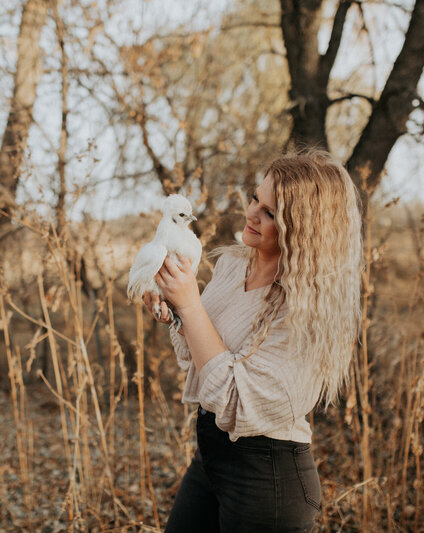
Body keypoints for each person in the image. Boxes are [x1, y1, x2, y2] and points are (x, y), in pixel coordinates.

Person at [143, 149, 362, 532]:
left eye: (271, 213)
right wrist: (175, 311)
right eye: (254, 198)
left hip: (269, 479)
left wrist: (191, 304)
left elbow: (235, 402)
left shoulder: (305, 309)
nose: (251, 214)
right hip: (210, 460)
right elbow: (196, 356)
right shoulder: (232, 266)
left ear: (304, 230)